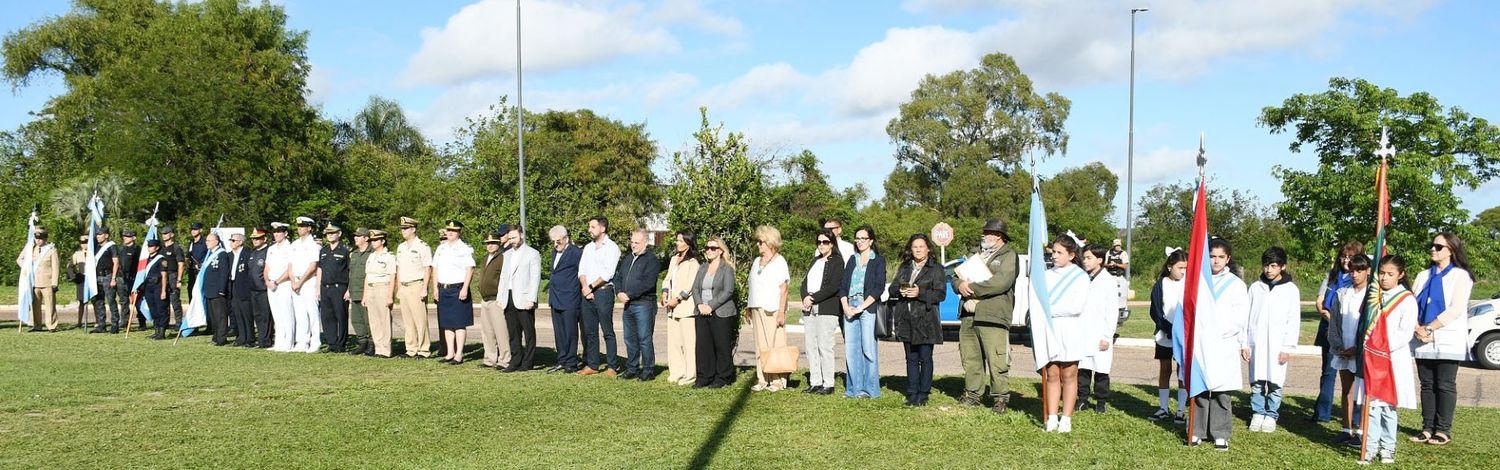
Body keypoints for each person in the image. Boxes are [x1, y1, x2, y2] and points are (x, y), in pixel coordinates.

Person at [1182, 238, 1251, 451]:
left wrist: (1218, 331)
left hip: (1223, 343)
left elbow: (1240, 316)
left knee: (1222, 391)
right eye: (1212, 256)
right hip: (1201, 343)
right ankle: (1197, 430)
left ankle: (1220, 432)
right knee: (1200, 387)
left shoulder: (1236, 284)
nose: (1216, 261)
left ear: (1228, 258)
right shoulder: (1197, 281)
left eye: (1221, 257)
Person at [1409, 231, 1475, 446]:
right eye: (1432, 245)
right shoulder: (1423, 275)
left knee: (1445, 384)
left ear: (1451, 251)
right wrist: (1417, 328)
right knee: (1427, 384)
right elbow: (1412, 305)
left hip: (1447, 337)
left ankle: (1443, 429)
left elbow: (1455, 309)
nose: (1433, 249)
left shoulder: (1460, 276)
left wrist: (1429, 328)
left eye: (1438, 247)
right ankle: (1427, 428)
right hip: (1421, 338)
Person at [1357, 254, 1419, 465]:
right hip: (1372, 359)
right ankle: (1370, 446)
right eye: (1381, 273)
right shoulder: (1375, 296)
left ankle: (1388, 447)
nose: (1384, 278)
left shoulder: (1406, 299)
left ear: (1400, 275)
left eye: (1390, 274)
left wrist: (1382, 347)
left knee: (1388, 407)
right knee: (1372, 406)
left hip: (1391, 359)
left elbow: (1405, 332)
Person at [953, 219, 1019, 412]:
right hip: (968, 315)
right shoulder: (976, 254)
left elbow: (1001, 282)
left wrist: (971, 288)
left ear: (999, 236)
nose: (985, 236)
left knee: (997, 359)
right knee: (970, 357)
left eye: (989, 233)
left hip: (993, 315)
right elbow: (956, 276)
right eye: (985, 232)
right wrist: (960, 285)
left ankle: (1000, 398)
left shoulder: (1009, 255)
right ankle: (973, 394)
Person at [1034, 235, 1088, 432]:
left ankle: (1066, 418)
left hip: (1071, 329)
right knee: (1052, 373)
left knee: (1069, 374)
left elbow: (1076, 306)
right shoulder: (1046, 276)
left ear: (1072, 255)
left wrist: (1050, 309)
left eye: (1059, 253)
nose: (1054, 256)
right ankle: (1052, 418)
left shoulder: (1080, 277)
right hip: (1050, 329)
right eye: (1053, 252)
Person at [889, 233, 947, 406]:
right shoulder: (905, 267)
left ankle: (923, 393)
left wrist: (919, 293)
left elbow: (940, 294)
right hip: (905, 318)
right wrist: (900, 290)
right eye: (915, 247)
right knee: (911, 358)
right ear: (910, 249)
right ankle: (912, 392)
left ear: (928, 248)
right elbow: (892, 288)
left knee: (925, 357)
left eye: (921, 246)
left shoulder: (936, 268)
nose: (918, 250)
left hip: (925, 320)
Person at [1246, 247, 1299, 433]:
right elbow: (1247, 315)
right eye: (1266, 265)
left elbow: (1293, 320)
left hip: (1278, 344)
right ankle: (1258, 412)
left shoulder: (1290, 290)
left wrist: (1287, 347)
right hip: (1257, 342)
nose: (1269, 270)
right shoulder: (1255, 287)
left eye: (1273, 266)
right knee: (1257, 381)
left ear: (1282, 267)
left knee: (1275, 382)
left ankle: (1271, 414)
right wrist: (1245, 343)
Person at [1313, 240, 1364, 423]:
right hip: (1330, 330)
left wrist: (1339, 322)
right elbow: (1320, 303)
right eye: (1343, 256)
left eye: (1350, 257)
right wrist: (1333, 321)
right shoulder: (1332, 276)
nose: (1345, 260)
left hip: (1352, 333)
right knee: (1328, 371)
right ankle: (1322, 413)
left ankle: (1355, 418)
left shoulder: (1361, 280)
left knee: (1356, 378)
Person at [1328, 253, 1372, 446]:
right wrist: (1337, 344)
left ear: (1368, 271)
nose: (1355, 274)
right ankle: (1346, 429)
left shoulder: (1372, 295)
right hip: (1343, 348)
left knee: (1363, 391)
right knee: (1347, 389)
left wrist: (1358, 347)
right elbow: (1335, 321)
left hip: (1362, 350)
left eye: (1359, 270)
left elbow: (1371, 325)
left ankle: (1362, 431)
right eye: (1352, 270)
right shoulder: (1342, 292)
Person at [839, 226, 885, 399]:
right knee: (851, 350)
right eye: (857, 238)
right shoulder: (852, 259)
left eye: (863, 238)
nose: (859, 241)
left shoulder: (878, 260)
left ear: (871, 240)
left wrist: (861, 307)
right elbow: (843, 285)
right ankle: (853, 389)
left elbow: (878, 287)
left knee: (868, 349)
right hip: (849, 305)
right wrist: (845, 305)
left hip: (867, 307)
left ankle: (870, 390)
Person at [801, 228, 846, 395]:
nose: (821, 245)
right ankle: (815, 381)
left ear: (832, 243)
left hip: (827, 308)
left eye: (825, 242)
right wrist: (806, 297)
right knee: (811, 346)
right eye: (819, 242)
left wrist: (813, 298)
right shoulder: (815, 261)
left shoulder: (837, 262)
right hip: (809, 308)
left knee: (825, 346)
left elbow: (834, 286)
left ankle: (828, 383)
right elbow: (804, 282)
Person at [1078, 244, 1120, 415]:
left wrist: (1107, 335)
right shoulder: (1083, 278)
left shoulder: (1108, 281)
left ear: (1100, 260)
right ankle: (1082, 399)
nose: (1085, 261)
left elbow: (1112, 311)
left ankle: (1101, 401)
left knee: (1101, 369)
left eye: (1089, 258)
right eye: (1084, 257)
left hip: (1100, 332)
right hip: (1084, 331)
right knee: (1083, 368)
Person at [747, 225, 791, 392]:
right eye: (757, 241)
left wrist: (781, 312)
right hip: (757, 307)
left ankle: (777, 380)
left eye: (761, 242)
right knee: (760, 345)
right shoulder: (757, 262)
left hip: (772, 309)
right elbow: (753, 285)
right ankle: (762, 378)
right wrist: (749, 307)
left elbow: (784, 289)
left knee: (775, 344)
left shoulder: (780, 261)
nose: (758, 245)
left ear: (771, 242)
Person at [1148, 248, 1189, 422]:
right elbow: (1156, 311)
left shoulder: (1189, 284)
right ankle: (1163, 408)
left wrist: (1182, 331)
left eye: (1186, 268)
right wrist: (1168, 329)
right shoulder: (1161, 284)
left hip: (1184, 336)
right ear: (1170, 266)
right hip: (1165, 335)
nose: (1183, 271)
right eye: (1180, 267)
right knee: (1165, 369)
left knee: (1182, 372)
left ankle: (1180, 410)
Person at [577, 216, 621, 377]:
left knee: (607, 330)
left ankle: (612, 366)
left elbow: (608, 273)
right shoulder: (588, 248)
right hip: (587, 293)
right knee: (590, 331)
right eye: (589, 227)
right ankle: (593, 364)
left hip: (603, 292)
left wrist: (590, 287)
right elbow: (581, 270)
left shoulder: (612, 248)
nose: (589, 230)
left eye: (593, 227)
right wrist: (584, 287)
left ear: (602, 228)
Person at [615, 229, 662, 381]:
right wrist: (619, 292)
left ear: (645, 243)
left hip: (644, 304)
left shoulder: (651, 260)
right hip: (628, 305)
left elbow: (648, 283)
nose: (633, 245)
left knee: (644, 338)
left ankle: (648, 370)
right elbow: (618, 277)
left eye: (637, 242)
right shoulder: (628, 258)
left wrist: (630, 294)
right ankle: (632, 368)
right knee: (629, 338)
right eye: (632, 242)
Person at [692, 236, 737, 389]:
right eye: (707, 248)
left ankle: (723, 377)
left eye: (713, 248)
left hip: (721, 312)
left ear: (720, 251)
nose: (709, 251)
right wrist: (700, 305)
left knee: (721, 345)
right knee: (703, 346)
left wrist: (711, 306)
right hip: (701, 311)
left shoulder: (727, 269)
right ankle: (704, 376)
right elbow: (695, 288)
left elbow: (728, 291)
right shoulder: (703, 267)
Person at [661, 231, 702, 386]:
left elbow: (690, 286)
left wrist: (677, 299)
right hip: (672, 309)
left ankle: (690, 374)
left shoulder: (693, 262)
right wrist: (665, 293)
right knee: (674, 342)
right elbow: (667, 279)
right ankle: (677, 371)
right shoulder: (673, 260)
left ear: (688, 243)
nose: (677, 243)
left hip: (686, 308)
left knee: (688, 343)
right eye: (676, 240)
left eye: (680, 240)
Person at [432, 220, 475, 365]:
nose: (450, 233)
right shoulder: (441, 248)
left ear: (459, 232)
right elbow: (435, 269)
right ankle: (450, 353)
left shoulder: (464, 248)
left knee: (459, 323)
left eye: (454, 231)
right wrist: (435, 288)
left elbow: (470, 269)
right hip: (443, 288)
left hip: (458, 288)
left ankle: (459, 354)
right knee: (447, 323)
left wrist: (464, 288)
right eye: (448, 230)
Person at [499, 224, 541, 373]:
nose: (512, 241)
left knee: (528, 332)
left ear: (521, 235)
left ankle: (528, 362)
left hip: (524, 298)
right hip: (508, 297)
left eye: (514, 237)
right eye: (510, 238)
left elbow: (535, 278)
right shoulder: (507, 254)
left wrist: (531, 298)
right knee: (513, 332)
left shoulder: (532, 253)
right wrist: (500, 296)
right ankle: (515, 361)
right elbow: (503, 277)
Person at [394, 216, 434, 358]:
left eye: (405, 229)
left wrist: (424, 288)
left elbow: (428, 268)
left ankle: (424, 350)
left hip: (417, 284)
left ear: (413, 229)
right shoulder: (401, 247)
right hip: (404, 286)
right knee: (408, 321)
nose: (403, 231)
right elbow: (399, 268)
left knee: (420, 320)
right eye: (402, 229)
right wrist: (398, 287)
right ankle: (411, 349)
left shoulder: (422, 246)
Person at [547, 225, 584, 373]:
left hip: (570, 298)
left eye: (558, 241)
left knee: (570, 332)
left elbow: (581, 272)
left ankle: (571, 362)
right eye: (553, 242)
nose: (556, 244)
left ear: (566, 239)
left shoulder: (576, 253)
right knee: (559, 332)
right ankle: (561, 359)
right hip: (556, 298)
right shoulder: (554, 252)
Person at [475, 228, 510, 369]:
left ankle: (505, 359)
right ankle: (490, 359)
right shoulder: (485, 259)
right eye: (488, 243)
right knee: (487, 332)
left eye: (493, 243)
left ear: (499, 244)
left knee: (501, 331)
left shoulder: (503, 258)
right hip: (485, 299)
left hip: (496, 299)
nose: (490, 245)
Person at [289, 217, 323, 353]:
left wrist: (300, 281)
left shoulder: (314, 245)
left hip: (308, 281)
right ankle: (302, 341)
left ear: (309, 228)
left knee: (312, 312)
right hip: (295, 280)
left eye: (302, 226)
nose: (299, 229)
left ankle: (315, 341)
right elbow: (290, 264)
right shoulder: (295, 244)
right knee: (300, 312)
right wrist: (293, 280)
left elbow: (313, 265)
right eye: (298, 226)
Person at [363, 229, 397, 358]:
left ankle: (386, 349)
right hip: (371, 288)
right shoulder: (371, 256)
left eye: (376, 240)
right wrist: (365, 295)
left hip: (383, 287)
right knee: (374, 320)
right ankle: (378, 348)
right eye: (372, 240)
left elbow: (392, 276)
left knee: (384, 319)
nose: (373, 242)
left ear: (382, 241)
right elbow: (367, 276)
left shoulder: (389, 256)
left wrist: (390, 295)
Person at [18, 227, 59, 332]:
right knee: (35, 306)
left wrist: (55, 283)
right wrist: (26, 268)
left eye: (41, 238)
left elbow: (55, 267)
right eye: (36, 238)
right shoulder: (30, 249)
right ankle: (37, 325)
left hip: (47, 282)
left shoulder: (51, 250)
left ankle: (51, 326)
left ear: (45, 238)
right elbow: (19, 259)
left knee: (50, 305)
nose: (38, 240)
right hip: (34, 282)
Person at [263, 222, 297, 352]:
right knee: (276, 314)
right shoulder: (271, 248)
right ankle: (279, 342)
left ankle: (289, 342)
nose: (276, 234)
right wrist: (267, 280)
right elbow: (267, 267)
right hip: (270, 284)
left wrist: (276, 281)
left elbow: (290, 269)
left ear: (286, 233)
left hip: (283, 284)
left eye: (279, 232)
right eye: (275, 232)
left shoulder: (290, 248)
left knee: (287, 313)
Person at [318, 224, 351, 353]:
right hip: (325, 287)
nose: (330, 235)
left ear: (339, 233)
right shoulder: (323, 250)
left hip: (339, 287)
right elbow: (320, 269)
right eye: (328, 233)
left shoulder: (346, 250)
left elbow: (350, 270)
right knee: (327, 316)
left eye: (333, 233)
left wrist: (349, 289)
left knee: (341, 316)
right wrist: (318, 287)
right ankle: (331, 343)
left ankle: (341, 344)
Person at [200, 232, 232, 346]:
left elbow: (224, 273)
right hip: (210, 290)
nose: (206, 243)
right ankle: (216, 336)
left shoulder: (221, 254)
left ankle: (222, 338)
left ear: (216, 242)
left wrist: (222, 289)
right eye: (206, 240)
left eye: (209, 240)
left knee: (220, 316)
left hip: (218, 291)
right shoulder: (209, 254)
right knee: (214, 317)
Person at [89, 227, 121, 333]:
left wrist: (113, 278)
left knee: (111, 301)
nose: (98, 236)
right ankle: (101, 324)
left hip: (108, 276)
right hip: (96, 277)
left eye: (100, 234)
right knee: (98, 301)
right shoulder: (95, 247)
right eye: (97, 235)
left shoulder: (112, 247)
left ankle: (115, 324)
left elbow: (116, 262)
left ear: (106, 235)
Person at [347, 228, 374, 355]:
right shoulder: (354, 253)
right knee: (356, 320)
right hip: (355, 291)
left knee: (369, 320)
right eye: (355, 236)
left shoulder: (372, 253)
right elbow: (351, 273)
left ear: (366, 238)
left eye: (359, 236)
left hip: (366, 291)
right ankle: (362, 343)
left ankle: (372, 343)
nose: (355, 238)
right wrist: (348, 290)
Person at [227, 232, 256, 347]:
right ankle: (241, 337)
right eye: (231, 240)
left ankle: (250, 338)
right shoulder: (229, 255)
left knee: (246, 313)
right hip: (234, 286)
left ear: (240, 242)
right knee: (237, 312)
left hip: (244, 287)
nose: (231, 242)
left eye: (233, 240)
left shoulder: (248, 253)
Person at [246, 228, 274, 348]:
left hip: (263, 289)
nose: (255, 241)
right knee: (257, 315)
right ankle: (261, 338)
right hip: (253, 289)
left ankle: (266, 340)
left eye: (258, 238)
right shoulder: (253, 253)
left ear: (264, 238)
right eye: (253, 239)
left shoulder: (268, 252)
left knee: (265, 316)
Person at [138, 239, 169, 339]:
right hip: (148, 286)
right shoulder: (146, 260)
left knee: (161, 309)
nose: (149, 248)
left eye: (151, 246)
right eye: (149, 246)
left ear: (157, 247)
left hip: (158, 286)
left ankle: (162, 331)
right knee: (153, 309)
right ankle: (156, 330)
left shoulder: (161, 259)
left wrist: (163, 290)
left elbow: (164, 276)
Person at [159, 225, 186, 327]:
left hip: (172, 275)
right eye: (163, 234)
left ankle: (178, 322)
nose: (164, 235)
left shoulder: (176, 248)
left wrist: (179, 280)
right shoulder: (161, 249)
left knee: (174, 300)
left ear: (172, 234)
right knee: (163, 300)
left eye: (166, 233)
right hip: (162, 276)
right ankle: (165, 322)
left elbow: (181, 264)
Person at [117, 229, 141, 329]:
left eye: (127, 236)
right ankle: (124, 320)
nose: (125, 238)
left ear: (133, 238)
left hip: (133, 278)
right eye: (124, 236)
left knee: (137, 300)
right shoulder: (121, 249)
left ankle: (142, 321)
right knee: (123, 301)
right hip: (122, 277)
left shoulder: (137, 249)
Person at [1105, 238, 1130, 324]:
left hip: (1119, 277)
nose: (1118, 247)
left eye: (1119, 245)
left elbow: (1125, 265)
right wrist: (1109, 265)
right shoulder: (1108, 253)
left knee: (1120, 296)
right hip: (1110, 276)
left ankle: (1120, 315)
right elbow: (1104, 264)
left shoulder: (1123, 253)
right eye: (1116, 245)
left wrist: (1116, 264)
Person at [69, 235, 89, 328]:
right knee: (81, 302)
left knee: (95, 301)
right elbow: (70, 266)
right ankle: (79, 322)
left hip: (92, 279)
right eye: (82, 243)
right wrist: (74, 277)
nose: (84, 245)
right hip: (82, 278)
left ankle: (98, 322)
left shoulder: (94, 252)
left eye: (86, 242)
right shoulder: (77, 254)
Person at [187, 222, 207, 304]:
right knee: (191, 291)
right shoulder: (191, 243)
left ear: (200, 230)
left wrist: (202, 264)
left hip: (201, 271)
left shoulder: (205, 242)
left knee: (200, 293)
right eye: (192, 229)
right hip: (192, 272)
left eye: (195, 229)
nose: (193, 231)